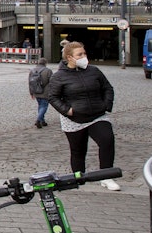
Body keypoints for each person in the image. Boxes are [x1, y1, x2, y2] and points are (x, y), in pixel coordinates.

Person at [45, 41, 120, 190]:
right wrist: (68, 111)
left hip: (97, 115)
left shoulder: (94, 71)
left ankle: (106, 176)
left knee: (107, 140)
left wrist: (106, 105)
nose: (84, 56)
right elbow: (52, 97)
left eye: (84, 53)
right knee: (78, 150)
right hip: (74, 119)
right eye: (80, 54)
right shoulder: (59, 76)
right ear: (69, 58)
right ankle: (78, 178)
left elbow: (107, 88)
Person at [28, 54, 52, 128]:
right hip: (45, 92)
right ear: (45, 63)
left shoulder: (32, 71)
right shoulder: (48, 71)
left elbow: (30, 82)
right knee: (44, 106)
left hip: (36, 91)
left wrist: (31, 93)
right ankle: (38, 120)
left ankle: (42, 121)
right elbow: (52, 82)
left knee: (40, 105)